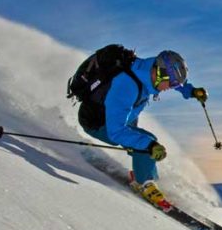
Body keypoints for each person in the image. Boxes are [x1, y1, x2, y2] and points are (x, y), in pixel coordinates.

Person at [80, 49, 207, 209]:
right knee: (147, 142)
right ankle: (144, 183)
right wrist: (149, 146)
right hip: (98, 123)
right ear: (159, 74)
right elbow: (116, 131)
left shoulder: (147, 70)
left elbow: (174, 82)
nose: (171, 87)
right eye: (172, 83)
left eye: (175, 84)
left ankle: (142, 171)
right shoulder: (126, 86)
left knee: (141, 141)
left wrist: (191, 91)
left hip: (123, 116)